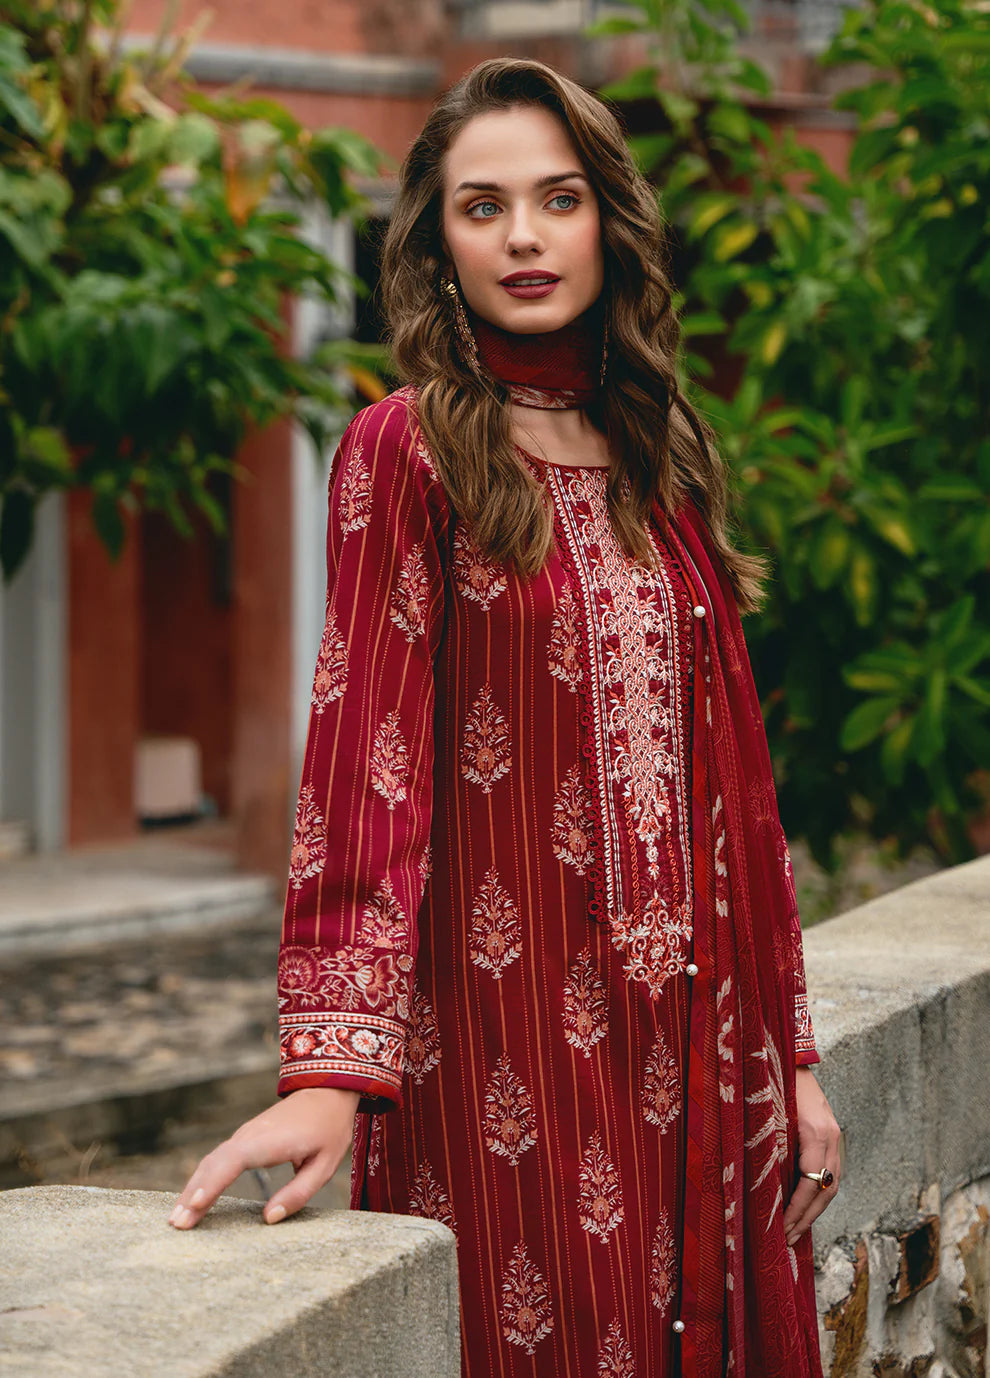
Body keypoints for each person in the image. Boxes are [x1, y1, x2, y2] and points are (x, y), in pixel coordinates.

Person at [168, 57, 841, 1378]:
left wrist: (792, 1062)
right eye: (482, 208)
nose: (524, 237)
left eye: (557, 199)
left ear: (610, 223)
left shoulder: (659, 455)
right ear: (437, 243)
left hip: (697, 1049)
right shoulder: (407, 450)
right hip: (503, 1044)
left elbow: (735, 794)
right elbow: (364, 761)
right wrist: (330, 1066)